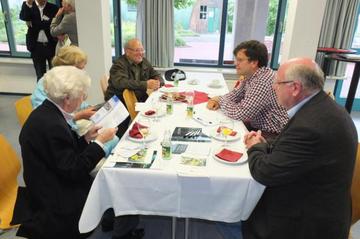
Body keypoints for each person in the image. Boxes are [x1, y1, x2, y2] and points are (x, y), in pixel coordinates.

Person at [243, 58, 358, 239]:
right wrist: (265, 145)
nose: (274, 87)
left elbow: (265, 172)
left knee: (237, 212)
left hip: (306, 222)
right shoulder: (322, 107)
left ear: (295, 88)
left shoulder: (309, 126)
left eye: (277, 83)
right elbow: (293, 149)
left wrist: (255, 147)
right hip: (322, 203)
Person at [13, 66, 118, 239]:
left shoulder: (48, 112)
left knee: (102, 181)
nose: (83, 99)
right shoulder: (52, 124)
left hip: (48, 180)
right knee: (102, 184)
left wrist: (85, 139)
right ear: (68, 98)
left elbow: (62, 153)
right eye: (82, 95)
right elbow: (74, 170)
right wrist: (99, 143)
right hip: (53, 197)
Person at [31, 45, 118, 157]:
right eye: (80, 69)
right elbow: (52, 120)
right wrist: (81, 115)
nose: (83, 72)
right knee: (109, 141)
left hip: (70, 131)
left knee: (112, 138)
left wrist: (89, 108)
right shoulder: (46, 87)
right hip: (63, 134)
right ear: (65, 68)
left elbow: (75, 104)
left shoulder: (67, 84)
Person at [207, 40, 288, 138]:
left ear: (254, 63)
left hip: (271, 134)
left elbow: (240, 113)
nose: (235, 63)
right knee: (218, 128)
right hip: (257, 126)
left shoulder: (263, 81)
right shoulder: (250, 75)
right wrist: (218, 99)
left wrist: (219, 100)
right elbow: (235, 95)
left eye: (240, 60)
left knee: (222, 135)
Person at [104, 38, 164, 137]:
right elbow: (121, 83)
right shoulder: (118, 65)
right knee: (119, 135)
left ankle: (147, 135)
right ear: (127, 52)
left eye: (142, 50)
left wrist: (158, 82)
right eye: (137, 50)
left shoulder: (144, 61)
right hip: (119, 102)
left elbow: (157, 75)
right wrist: (146, 84)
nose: (141, 53)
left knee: (158, 112)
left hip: (137, 100)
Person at [20, 0, 58, 80]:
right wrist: (29, 4)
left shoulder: (53, 7)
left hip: (51, 46)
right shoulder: (27, 6)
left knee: (54, 75)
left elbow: (53, 24)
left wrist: (34, 23)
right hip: (36, 47)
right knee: (40, 76)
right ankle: (41, 92)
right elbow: (23, 17)